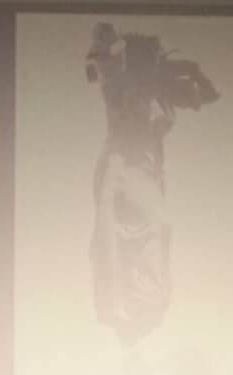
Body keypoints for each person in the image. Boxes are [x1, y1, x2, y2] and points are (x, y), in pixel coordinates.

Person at [85, 24, 218, 352]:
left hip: (143, 172)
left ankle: (132, 322)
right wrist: (109, 43)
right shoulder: (121, 82)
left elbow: (209, 96)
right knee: (139, 238)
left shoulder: (157, 88)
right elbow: (98, 61)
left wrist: (191, 71)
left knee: (144, 240)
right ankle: (131, 316)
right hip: (125, 168)